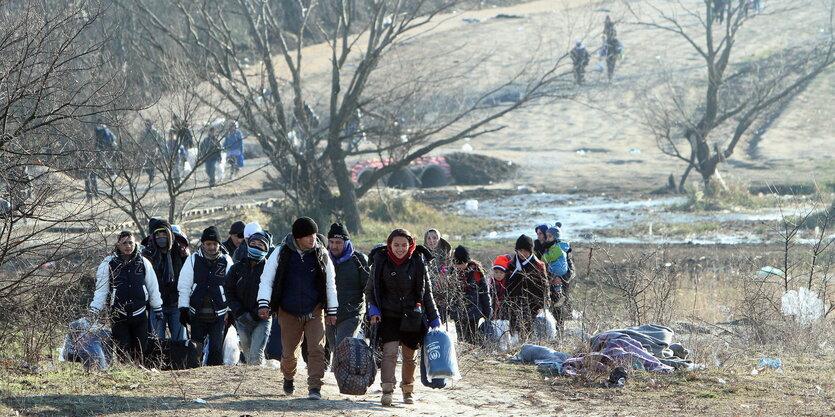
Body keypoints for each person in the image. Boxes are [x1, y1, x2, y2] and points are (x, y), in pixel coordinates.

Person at [256, 217, 337, 400]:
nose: (313, 239)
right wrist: (263, 303)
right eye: (309, 236)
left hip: (315, 310)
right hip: (288, 311)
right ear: (298, 237)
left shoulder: (321, 254)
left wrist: (332, 310)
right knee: (288, 353)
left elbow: (330, 283)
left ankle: (315, 387)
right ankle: (288, 377)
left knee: (317, 348)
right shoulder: (281, 253)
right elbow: (267, 280)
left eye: (314, 235)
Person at [366, 229, 441, 406]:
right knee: (389, 353)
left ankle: (408, 390)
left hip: (412, 316)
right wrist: (374, 309)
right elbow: (370, 290)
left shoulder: (418, 262)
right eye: (396, 245)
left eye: (404, 245)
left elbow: (427, 293)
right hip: (389, 315)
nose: (400, 249)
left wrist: (434, 317)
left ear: (411, 245)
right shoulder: (380, 261)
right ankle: (387, 390)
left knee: (409, 356)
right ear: (389, 245)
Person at [90, 231, 163, 362]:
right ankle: (125, 374)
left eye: (131, 243)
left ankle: (140, 375)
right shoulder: (108, 264)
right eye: (124, 243)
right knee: (122, 350)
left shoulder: (143, 262)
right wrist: (95, 309)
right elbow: (101, 290)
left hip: (140, 313)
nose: (128, 246)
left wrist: (157, 306)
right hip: (118, 315)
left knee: (141, 350)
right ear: (118, 245)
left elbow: (153, 287)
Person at [177, 226, 234, 366]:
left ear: (219, 245)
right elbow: (184, 286)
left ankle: (215, 379)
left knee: (216, 349)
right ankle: (195, 376)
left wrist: (230, 310)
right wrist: (183, 308)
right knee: (196, 350)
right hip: (196, 313)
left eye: (215, 244)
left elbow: (232, 287)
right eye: (208, 243)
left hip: (219, 314)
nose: (212, 247)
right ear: (202, 244)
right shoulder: (192, 260)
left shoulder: (226, 261)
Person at [225, 231, 272, 366]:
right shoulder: (237, 269)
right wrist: (239, 312)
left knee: (256, 356)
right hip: (242, 318)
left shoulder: (270, 270)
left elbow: (275, 294)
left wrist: (257, 313)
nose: (256, 247)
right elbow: (228, 291)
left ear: (266, 249)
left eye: (260, 245)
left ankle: (258, 381)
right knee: (247, 350)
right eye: (253, 244)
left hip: (262, 318)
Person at [325, 223, 369, 357]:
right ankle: (341, 375)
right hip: (329, 314)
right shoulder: (324, 259)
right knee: (335, 351)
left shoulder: (358, 259)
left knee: (341, 350)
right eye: (331, 242)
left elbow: (368, 287)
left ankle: (344, 377)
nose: (334, 246)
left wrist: (373, 309)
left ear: (346, 242)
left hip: (351, 314)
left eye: (338, 242)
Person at [142, 218, 189, 341]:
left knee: (180, 342)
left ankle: (179, 361)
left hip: (177, 304)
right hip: (156, 305)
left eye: (164, 234)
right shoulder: (148, 255)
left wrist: (183, 300)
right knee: (157, 343)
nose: (161, 237)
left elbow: (188, 278)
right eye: (158, 234)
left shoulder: (181, 253)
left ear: (170, 235)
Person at [505, 235, 548, 338]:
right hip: (515, 305)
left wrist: (544, 305)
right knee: (515, 334)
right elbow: (507, 287)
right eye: (520, 250)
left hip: (533, 306)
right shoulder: (511, 265)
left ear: (530, 251)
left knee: (532, 334)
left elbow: (545, 287)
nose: (522, 254)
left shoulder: (538, 266)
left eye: (525, 251)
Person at [450, 246, 492, 344]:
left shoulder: (477, 273)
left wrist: (487, 312)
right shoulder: (451, 273)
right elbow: (449, 295)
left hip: (474, 313)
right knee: (461, 338)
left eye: (462, 264)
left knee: (473, 338)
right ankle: (464, 356)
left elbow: (484, 293)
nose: (459, 266)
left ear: (467, 261)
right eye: (457, 264)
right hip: (458, 313)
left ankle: (473, 355)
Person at [542, 225, 575, 332]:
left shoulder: (558, 248)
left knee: (558, 307)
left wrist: (559, 278)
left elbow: (570, 271)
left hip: (560, 280)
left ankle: (559, 331)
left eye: (549, 236)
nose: (546, 238)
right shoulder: (546, 247)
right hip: (551, 281)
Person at [423, 229, 452, 319]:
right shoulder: (421, 255)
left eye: (435, 238)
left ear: (439, 239)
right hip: (426, 296)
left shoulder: (447, 255)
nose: (432, 241)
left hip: (443, 297)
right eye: (429, 238)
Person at [140, 119, 164, 184]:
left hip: (153, 150)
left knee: (152, 165)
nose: (147, 126)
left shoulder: (155, 132)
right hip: (145, 151)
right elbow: (140, 140)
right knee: (146, 165)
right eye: (146, 124)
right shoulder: (143, 132)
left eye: (148, 124)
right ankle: (150, 174)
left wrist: (159, 147)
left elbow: (160, 139)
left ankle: (152, 176)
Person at [490, 254, 512, 320]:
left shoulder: (509, 284)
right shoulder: (491, 283)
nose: (498, 275)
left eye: (501, 272)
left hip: (507, 313)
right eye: (496, 272)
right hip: (494, 312)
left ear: (506, 273)